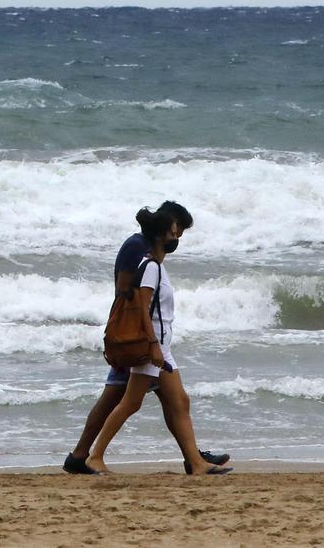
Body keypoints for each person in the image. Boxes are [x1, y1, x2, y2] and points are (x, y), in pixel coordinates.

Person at [70, 201, 232, 475]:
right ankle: (86, 455)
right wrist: (140, 340)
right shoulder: (140, 251)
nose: (178, 237)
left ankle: (194, 460)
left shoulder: (154, 261)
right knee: (121, 401)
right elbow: (127, 295)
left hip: (151, 342)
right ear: (165, 229)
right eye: (177, 229)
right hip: (140, 340)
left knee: (176, 400)